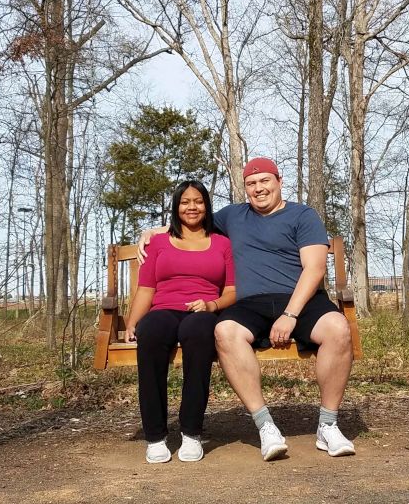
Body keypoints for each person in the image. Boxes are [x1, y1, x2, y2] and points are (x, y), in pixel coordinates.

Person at [139, 158, 355, 461]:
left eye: (265, 181)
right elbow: (191, 219)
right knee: (225, 331)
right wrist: (152, 231)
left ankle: (328, 425)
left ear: (279, 182)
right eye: (251, 184)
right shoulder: (233, 216)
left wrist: (290, 315)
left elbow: (315, 268)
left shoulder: (302, 215)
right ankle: (265, 426)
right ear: (245, 189)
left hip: (300, 300)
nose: (259, 188)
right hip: (249, 304)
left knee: (338, 328)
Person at [125, 179, 236, 464]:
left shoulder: (222, 243)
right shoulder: (159, 242)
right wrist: (131, 323)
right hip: (163, 309)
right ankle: (156, 437)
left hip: (201, 311)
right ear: (176, 207)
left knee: (198, 332)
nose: (192, 207)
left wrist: (212, 305)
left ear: (206, 206)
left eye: (198, 201)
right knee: (150, 331)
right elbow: (146, 289)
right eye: (185, 201)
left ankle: (191, 433)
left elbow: (232, 291)